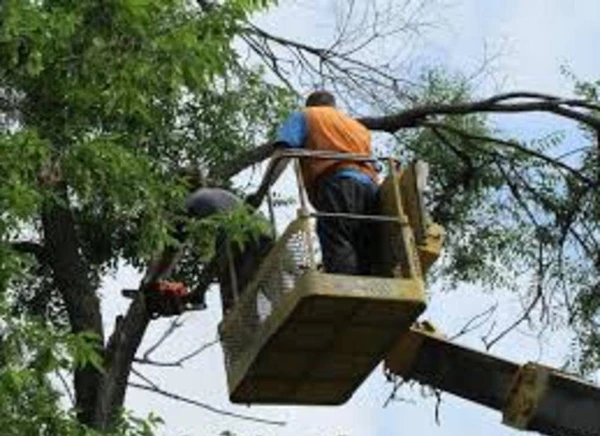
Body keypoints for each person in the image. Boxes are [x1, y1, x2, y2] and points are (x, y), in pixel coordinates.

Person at [252, 91, 379, 275]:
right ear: (333, 106)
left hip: (338, 183)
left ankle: (344, 292)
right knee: (364, 248)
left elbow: (284, 153)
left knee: (336, 239)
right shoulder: (358, 127)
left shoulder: (306, 115)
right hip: (370, 188)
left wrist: (261, 193)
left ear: (311, 105)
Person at [142, 186, 273, 316]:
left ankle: (251, 331)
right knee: (276, 288)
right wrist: (199, 291)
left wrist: (154, 280)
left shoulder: (188, 201)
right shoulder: (217, 196)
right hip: (265, 233)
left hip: (239, 240)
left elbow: (171, 249)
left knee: (237, 309)